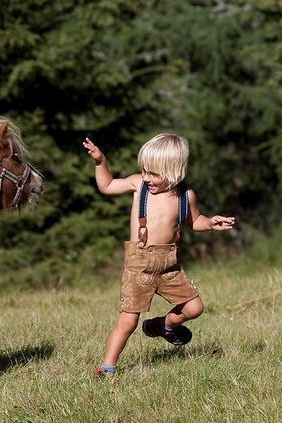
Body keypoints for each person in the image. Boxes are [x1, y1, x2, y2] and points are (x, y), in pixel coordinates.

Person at [83, 133, 235, 378]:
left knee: (194, 308)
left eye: (154, 174)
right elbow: (107, 185)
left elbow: (194, 221)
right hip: (139, 265)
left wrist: (210, 222)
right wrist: (101, 162)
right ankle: (107, 367)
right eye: (144, 170)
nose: (147, 178)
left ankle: (163, 325)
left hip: (169, 265)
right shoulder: (138, 186)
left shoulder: (186, 196)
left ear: (174, 172)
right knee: (128, 321)